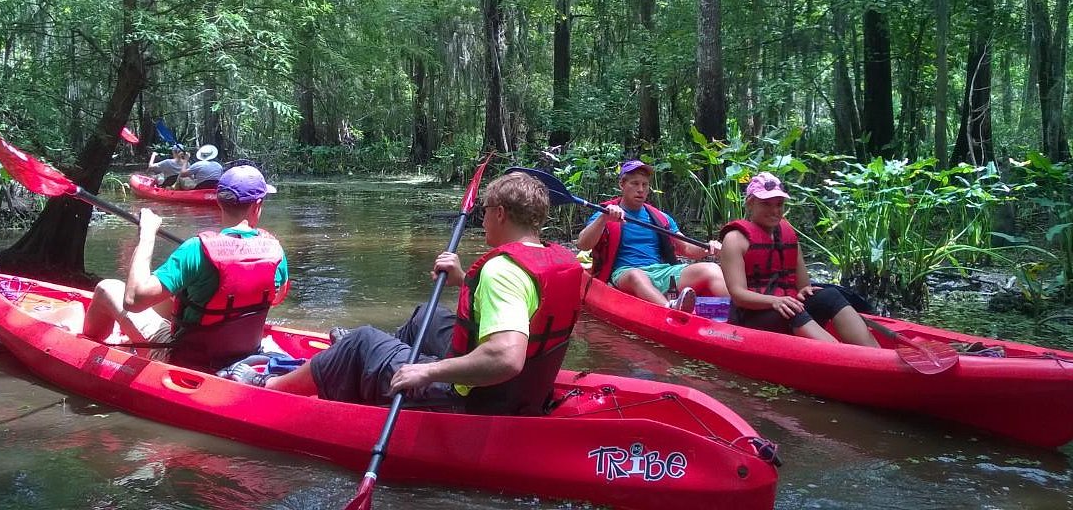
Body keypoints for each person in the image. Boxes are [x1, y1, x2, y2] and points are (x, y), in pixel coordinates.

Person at [223, 172, 584, 417]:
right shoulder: (558, 260)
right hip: (522, 393)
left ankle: (271, 385)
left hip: (476, 399)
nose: (481, 218)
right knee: (427, 315)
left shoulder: (502, 270)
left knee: (361, 341)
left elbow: (506, 358)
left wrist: (426, 374)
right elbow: (527, 310)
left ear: (501, 213)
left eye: (484, 212)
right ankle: (371, 365)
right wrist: (464, 280)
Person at [83, 164, 288, 369]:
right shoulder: (275, 251)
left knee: (107, 288)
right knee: (175, 296)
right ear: (257, 205)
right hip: (245, 352)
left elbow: (133, 300)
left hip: (185, 359)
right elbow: (277, 297)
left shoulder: (195, 249)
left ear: (218, 201)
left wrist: (147, 234)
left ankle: (85, 348)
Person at [718, 172, 877, 346]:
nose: (774, 210)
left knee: (830, 295)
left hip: (785, 309)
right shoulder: (734, 239)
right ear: (750, 203)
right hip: (750, 318)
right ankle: (847, 357)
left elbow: (803, 286)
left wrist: (805, 291)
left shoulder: (787, 236)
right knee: (791, 309)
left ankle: (876, 354)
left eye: (779, 204)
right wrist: (776, 301)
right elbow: (739, 295)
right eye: (766, 203)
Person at [577, 159, 726, 310]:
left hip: (661, 271)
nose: (640, 189)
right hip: (625, 274)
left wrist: (709, 247)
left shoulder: (661, 218)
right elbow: (583, 244)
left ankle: (739, 312)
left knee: (711, 268)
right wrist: (603, 219)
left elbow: (687, 249)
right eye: (634, 183)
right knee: (637, 275)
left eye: (645, 184)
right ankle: (669, 308)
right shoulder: (607, 212)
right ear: (622, 185)